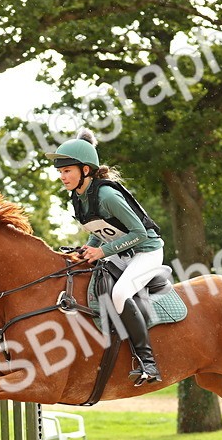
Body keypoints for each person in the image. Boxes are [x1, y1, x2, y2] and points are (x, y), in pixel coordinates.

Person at [45, 131, 165, 384]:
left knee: (120, 294)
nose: (62, 176)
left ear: (85, 170)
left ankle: (149, 363)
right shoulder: (79, 197)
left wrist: (101, 252)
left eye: (67, 171)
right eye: (60, 172)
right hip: (122, 253)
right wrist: (86, 250)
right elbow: (99, 230)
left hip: (147, 252)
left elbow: (140, 233)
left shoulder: (107, 196)